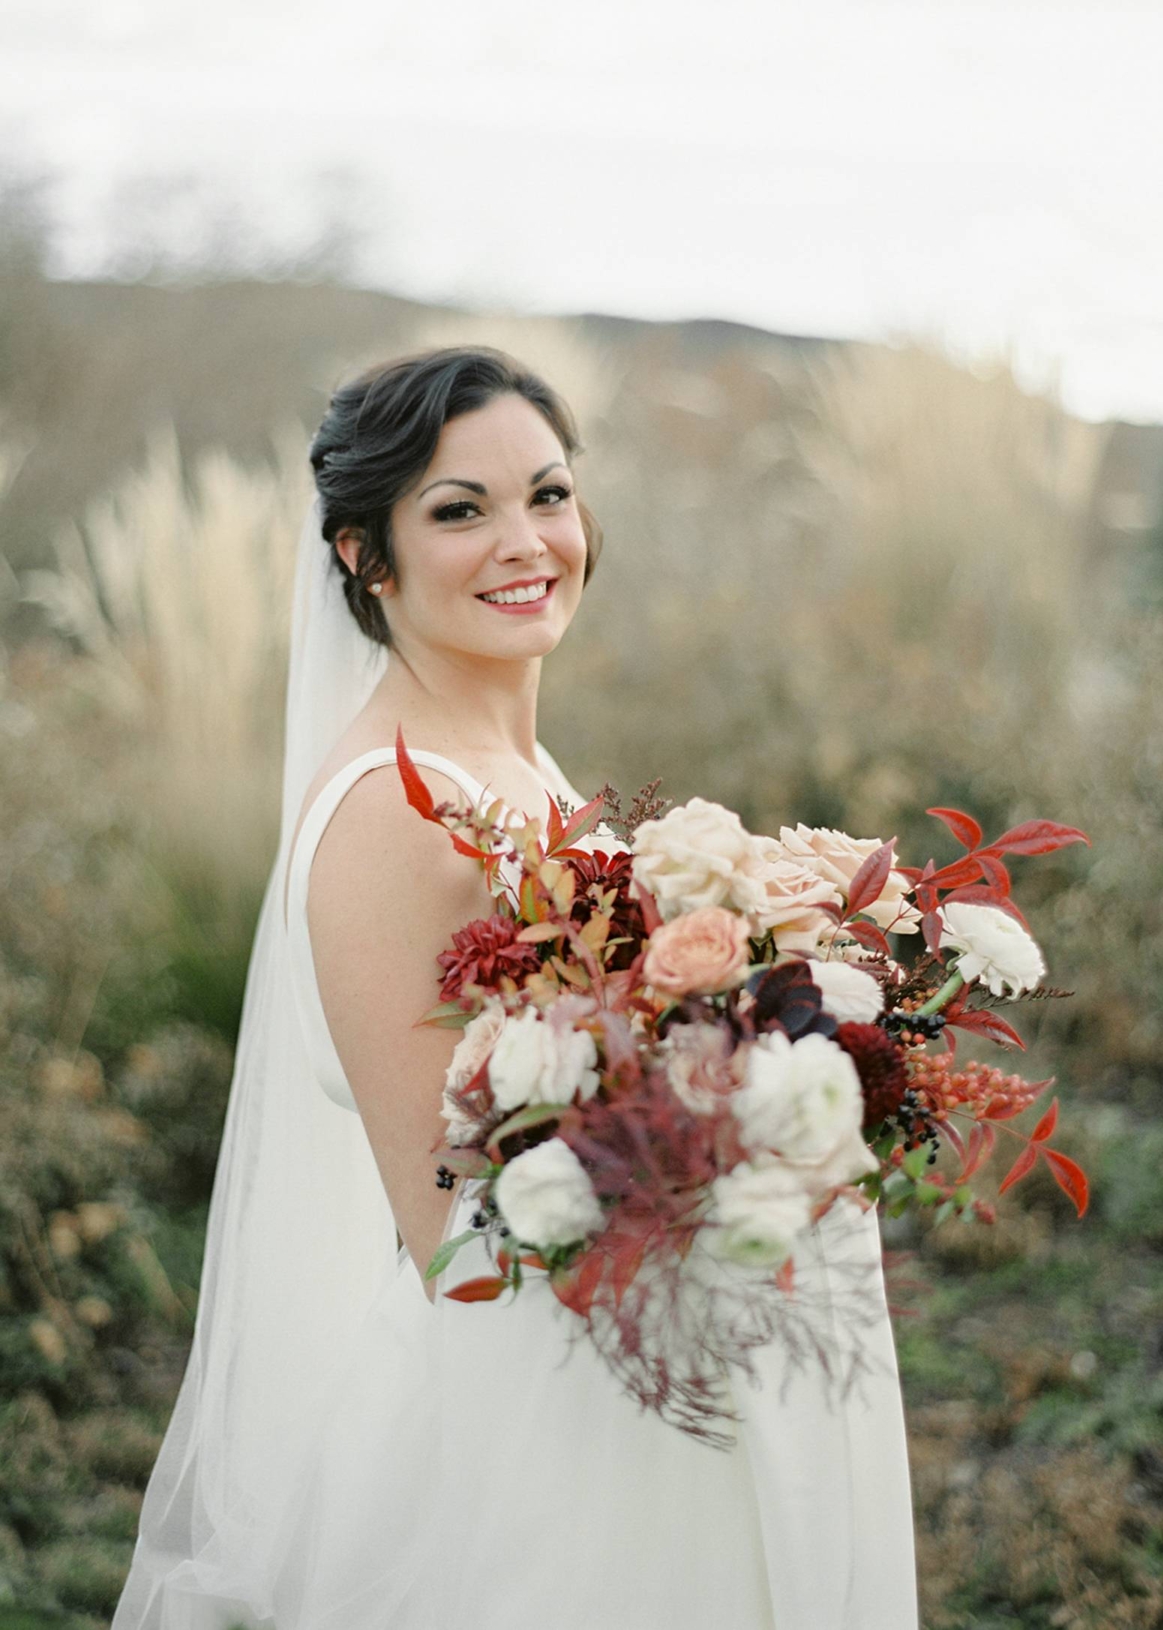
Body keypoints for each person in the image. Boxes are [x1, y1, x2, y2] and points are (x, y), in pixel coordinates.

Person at [114, 345, 920, 1629]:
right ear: (361, 557)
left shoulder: (499, 753)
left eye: (546, 494)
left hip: (635, 1351)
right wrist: (732, 1128)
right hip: (527, 1437)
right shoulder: (393, 809)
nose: (525, 540)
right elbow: (452, 1227)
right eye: (459, 510)